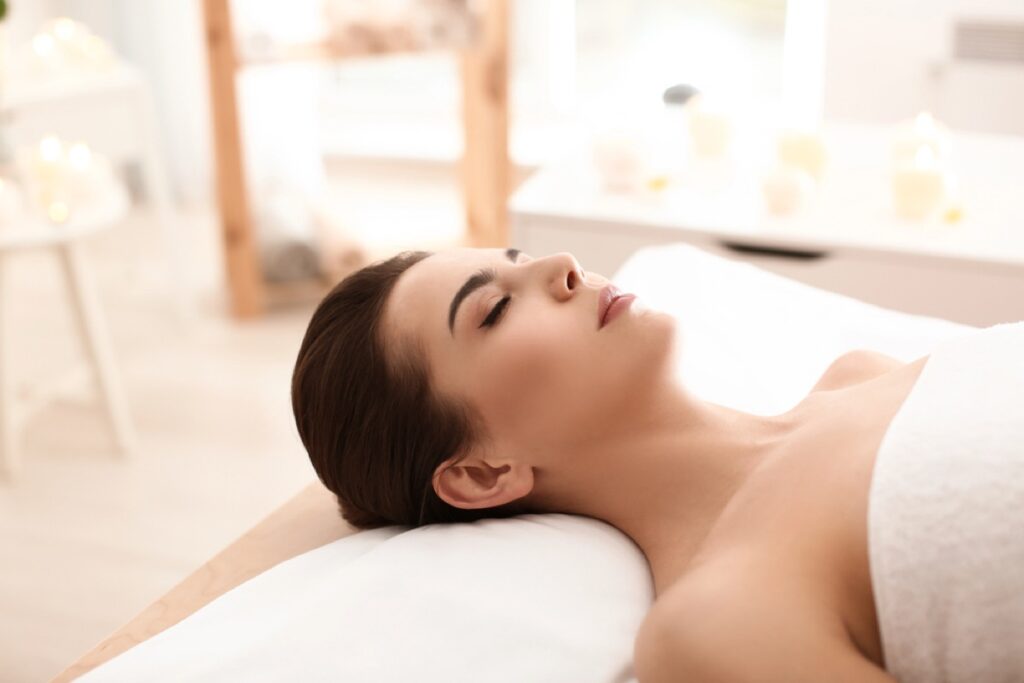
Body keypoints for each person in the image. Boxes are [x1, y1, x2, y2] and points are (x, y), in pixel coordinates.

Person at [291, 246, 934, 681]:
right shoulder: (719, 623)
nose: (562, 264)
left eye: (519, 257)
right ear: (482, 474)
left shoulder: (861, 373)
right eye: (497, 308)